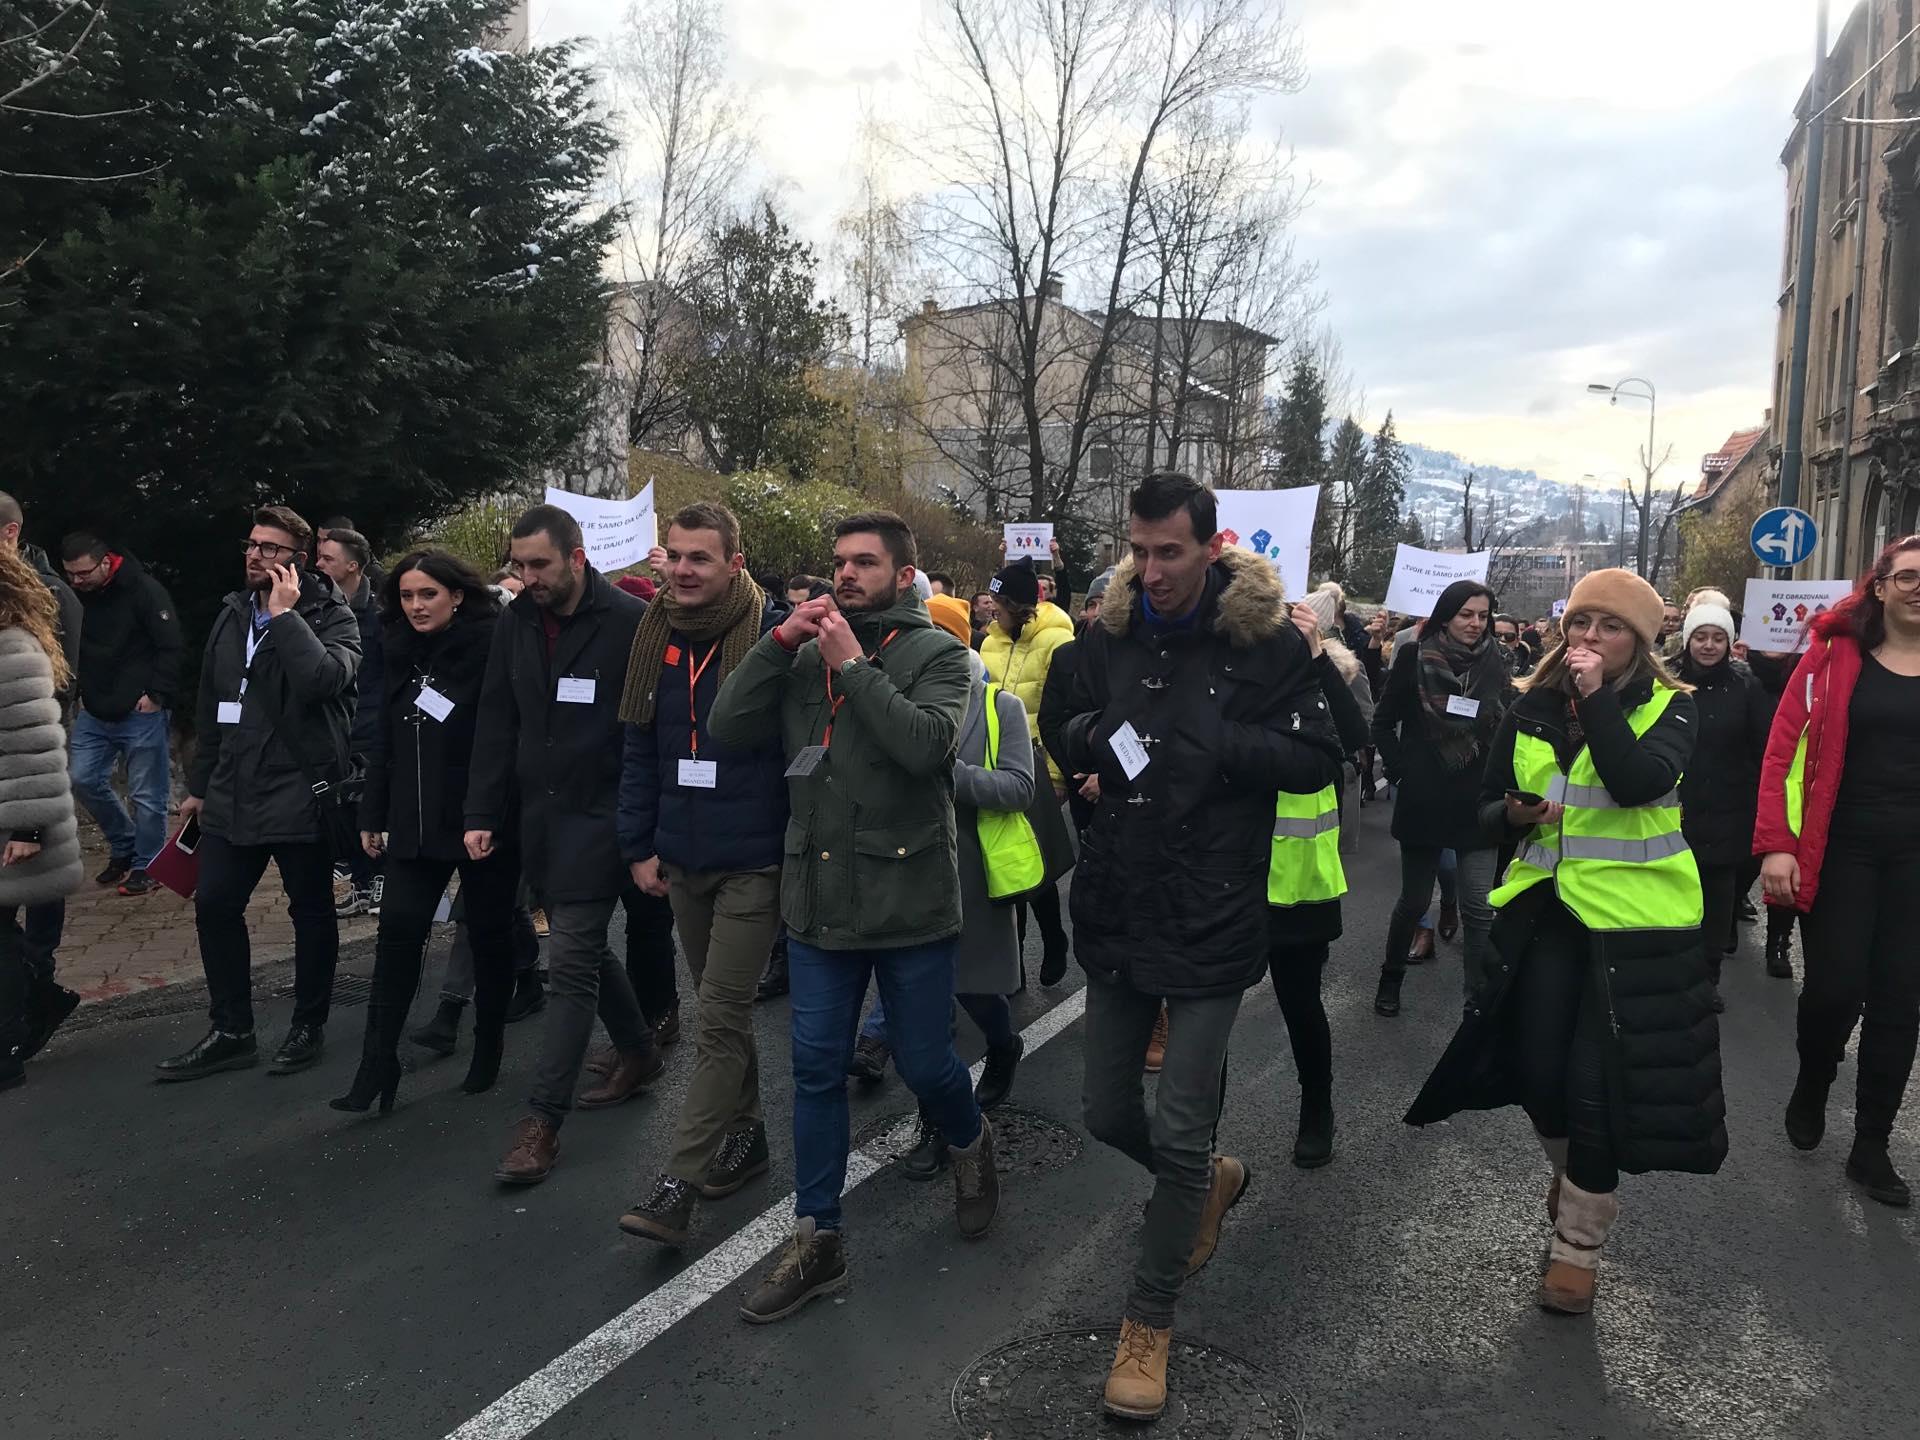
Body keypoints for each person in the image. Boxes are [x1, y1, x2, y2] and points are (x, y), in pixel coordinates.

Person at [1059, 473, 1341, 1420]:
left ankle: (1148, 1323)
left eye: (1168, 552)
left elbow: (1318, 759)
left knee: (1180, 1126)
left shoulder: (1264, 645)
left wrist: (1216, 739)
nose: (1150, 571)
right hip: (1120, 902)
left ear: (1210, 549)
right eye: (1137, 551)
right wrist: (1100, 737)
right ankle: (1209, 1183)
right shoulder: (1108, 631)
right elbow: (1069, 724)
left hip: (1216, 908)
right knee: (1104, 1111)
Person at [708, 509, 999, 1324]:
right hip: (819, 901)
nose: (845, 575)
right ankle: (820, 1238)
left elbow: (926, 750)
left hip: (907, 899)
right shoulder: (800, 655)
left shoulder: (944, 655)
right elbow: (727, 727)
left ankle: (971, 1141)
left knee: (924, 1061)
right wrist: (776, 645)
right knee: (813, 1069)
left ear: (904, 576)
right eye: (839, 562)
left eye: (864, 564)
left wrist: (854, 667)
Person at [1408, 567, 1722, 1316]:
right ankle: (1573, 1171)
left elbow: (1637, 781)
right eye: (1581, 624)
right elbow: (1482, 806)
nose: (1590, 638)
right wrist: (1513, 817)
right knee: (1542, 1073)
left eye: (1610, 628)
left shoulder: (1673, 710)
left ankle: (1579, 1242)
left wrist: (1593, 699)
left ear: (1639, 645)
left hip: (1636, 930)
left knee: (1597, 1084)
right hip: (1544, 917)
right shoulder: (1526, 708)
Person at [613, 503, 791, 1249]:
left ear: (734, 566)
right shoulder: (654, 637)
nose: (682, 570)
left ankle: (676, 1184)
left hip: (755, 859)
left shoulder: (776, 641)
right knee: (721, 1017)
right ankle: (746, 1137)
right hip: (681, 855)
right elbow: (642, 750)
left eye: (700, 559)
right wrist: (639, 843)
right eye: (675, 556)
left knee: (718, 1018)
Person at [466, 505, 661, 1186]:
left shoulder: (631, 623)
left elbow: (650, 732)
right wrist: (483, 809)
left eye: (539, 565)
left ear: (578, 558)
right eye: (518, 565)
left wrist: (649, 826)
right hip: (537, 819)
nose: (526, 578)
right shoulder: (516, 621)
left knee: (571, 956)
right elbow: (497, 716)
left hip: (605, 815)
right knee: (584, 946)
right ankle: (638, 1049)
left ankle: (541, 1122)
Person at [156, 507, 361, 1082]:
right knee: (216, 904)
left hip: (301, 790)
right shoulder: (230, 614)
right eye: (251, 544)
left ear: (298, 560)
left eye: (270, 549)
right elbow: (212, 704)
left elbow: (323, 681)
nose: (255, 555)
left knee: (310, 911)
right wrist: (199, 787)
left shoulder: (332, 617)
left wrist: (284, 617)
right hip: (232, 792)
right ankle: (232, 1030)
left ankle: (308, 1023)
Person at [1758, 534, 1920, 1208]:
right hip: (1840, 846)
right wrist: (1778, 844)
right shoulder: (1833, 654)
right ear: (1879, 586)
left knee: (1899, 1002)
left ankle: (1871, 1145)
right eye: (1908, 575)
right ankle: (1814, 1076)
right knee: (1833, 992)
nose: (1919, 587)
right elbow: (1782, 748)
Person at [330, 549, 517, 1112]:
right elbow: (382, 738)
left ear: (457, 595)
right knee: (397, 937)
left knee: (488, 935)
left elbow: (502, 737)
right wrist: (372, 814)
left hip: (479, 819)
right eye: (407, 595)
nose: (415, 606)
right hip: (413, 820)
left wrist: (486, 813)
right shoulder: (393, 646)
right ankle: (377, 1063)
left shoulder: (492, 645)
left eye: (428, 594)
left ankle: (488, 1049)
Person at [1370, 580, 1511, 1017]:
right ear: (1447, 614)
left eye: (1483, 615)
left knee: (1478, 906)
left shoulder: (1499, 663)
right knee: (1413, 902)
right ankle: (1390, 978)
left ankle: (1477, 999)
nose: (1475, 623)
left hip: (1478, 802)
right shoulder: (1414, 656)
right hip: (1425, 799)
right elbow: (1382, 723)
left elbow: (1509, 730)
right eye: (1466, 614)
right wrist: (1401, 770)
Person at [1266, 591, 1371, 1168]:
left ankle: (1317, 1106)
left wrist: (1314, 656)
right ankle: (1198, 1148)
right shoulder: (1221, 674)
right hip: (1229, 873)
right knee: (1207, 1017)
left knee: (1301, 1005)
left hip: (1300, 882)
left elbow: (1355, 734)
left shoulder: (1320, 676)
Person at [0, 545, 86, 1091]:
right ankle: (40, 1003)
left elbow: (36, 749)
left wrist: (30, 827)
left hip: (12, 820)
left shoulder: (12, 651)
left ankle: (8, 1049)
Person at [55, 531, 181, 898]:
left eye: (83, 573)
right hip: (96, 706)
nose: (77, 581)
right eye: (70, 575)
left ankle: (149, 864)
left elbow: (170, 643)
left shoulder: (144, 590)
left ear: (106, 562)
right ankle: (125, 844)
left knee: (147, 793)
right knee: (83, 779)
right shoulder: (76, 597)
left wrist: (157, 694)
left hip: (141, 708)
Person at [979, 557, 1077, 986]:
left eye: (997, 601)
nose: (988, 609)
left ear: (1018, 603)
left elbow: (1061, 711)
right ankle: (1013, 958)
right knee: (1006, 861)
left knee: (1038, 862)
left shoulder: (1058, 639)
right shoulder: (988, 643)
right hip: (994, 764)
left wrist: (1057, 775)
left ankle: (1054, 939)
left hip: (1037, 761)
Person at [1672, 601, 1769, 1013]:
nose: (1709, 645)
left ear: (1729, 643)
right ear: (1687, 639)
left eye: (1718, 638)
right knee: (1673, 894)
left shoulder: (1746, 685)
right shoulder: (1668, 679)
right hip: (1675, 806)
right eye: (1700, 636)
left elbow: (1762, 744)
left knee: (1716, 896)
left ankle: (1708, 976)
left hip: (1729, 804)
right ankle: (1673, 972)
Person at [315, 529, 387, 918]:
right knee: (338, 805)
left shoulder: (379, 612)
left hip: (372, 723)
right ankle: (352, 877)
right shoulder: (316, 609)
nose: (319, 564)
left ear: (352, 565)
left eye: (328, 558)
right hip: (334, 726)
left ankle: (378, 874)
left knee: (370, 801)